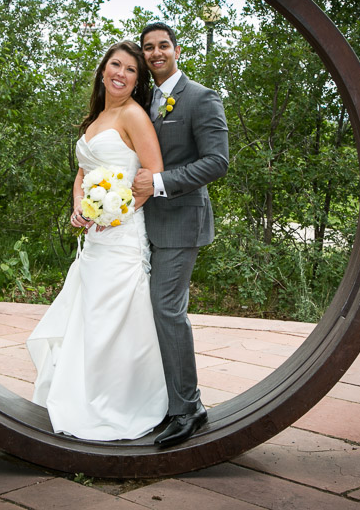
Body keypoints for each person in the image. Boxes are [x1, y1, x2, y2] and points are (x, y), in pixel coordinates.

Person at [26, 40, 169, 441]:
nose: (121, 74)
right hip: (94, 237)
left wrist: (115, 213)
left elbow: (152, 175)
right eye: (115, 65)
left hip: (122, 234)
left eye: (131, 70)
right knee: (89, 316)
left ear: (137, 81)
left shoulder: (134, 115)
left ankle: (120, 402)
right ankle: (81, 395)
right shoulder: (95, 118)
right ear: (103, 69)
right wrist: (80, 206)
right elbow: (82, 172)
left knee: (113, 317)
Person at [132, 22, 229, 447]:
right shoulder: (143, 99)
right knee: (147, 311)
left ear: (176, 49)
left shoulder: (201, 97)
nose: (156, 53)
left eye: (163, 46)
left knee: (167, 310)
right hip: (141, 224)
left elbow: (217, 162)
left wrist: (159, 182)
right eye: (148, 47)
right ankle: (163, 402)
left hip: (181, 221)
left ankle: (189, 409)